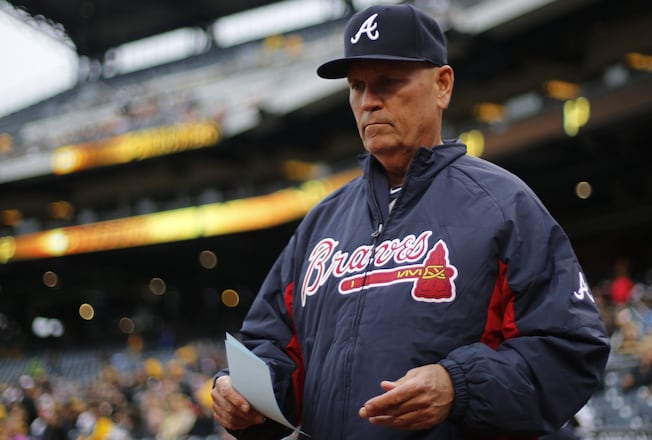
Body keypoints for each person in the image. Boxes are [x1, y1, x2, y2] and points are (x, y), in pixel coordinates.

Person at [211, 4, 610, 439]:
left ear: (442, 85)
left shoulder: (503, 205)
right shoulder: (321, 222)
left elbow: (570, 349)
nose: (368, 101)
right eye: (357, 86)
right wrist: (242, 394)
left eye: (389, 82)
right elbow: (269, 344)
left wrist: (459, 386)